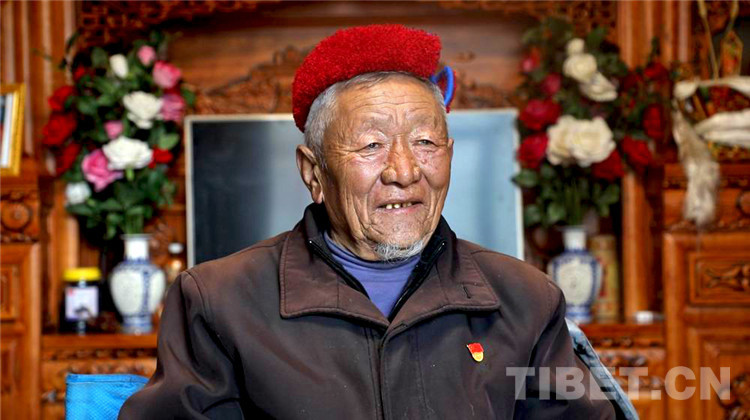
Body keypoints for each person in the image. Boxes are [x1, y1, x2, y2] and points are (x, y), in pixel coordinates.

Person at [119, 24, 618, 419]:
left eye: (425, 142)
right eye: (371, 144)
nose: (405, 171)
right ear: (313, 173)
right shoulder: (219, 301)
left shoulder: (526, 299)